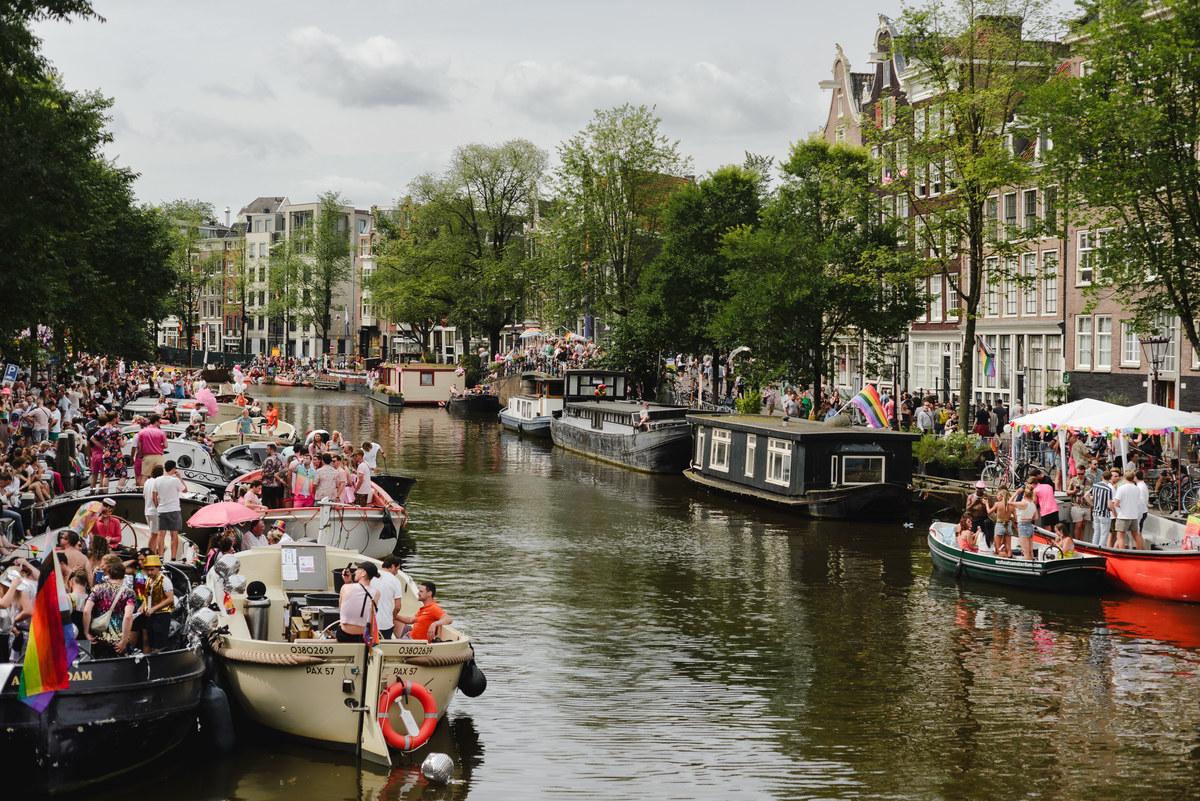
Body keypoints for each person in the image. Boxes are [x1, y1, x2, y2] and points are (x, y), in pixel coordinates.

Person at [83, 553, 136, 658]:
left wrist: (86, 632)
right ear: (124, 575)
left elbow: (86, 611)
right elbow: (128, 616)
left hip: (98, 641)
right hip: (118, 643)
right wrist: (124, 640)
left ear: (109, 574)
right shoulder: (129, 593)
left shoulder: (97, 589)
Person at [336, 561, 379, 644]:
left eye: (357, 569)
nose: (355, 572)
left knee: (340, 624)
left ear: (363, 573)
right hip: (364, 637)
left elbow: (342, 610)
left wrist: (348, 582)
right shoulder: (377, 593)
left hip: (344, 636)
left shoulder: (345, 588)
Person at [138, 554, 174, 653]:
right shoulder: (149, 580)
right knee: (148, 641)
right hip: (149, 615)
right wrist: (142, 606)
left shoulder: (165, 580)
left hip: (161, 616)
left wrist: (154, 608)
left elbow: (170, 599)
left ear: (158, 568)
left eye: (152, 570)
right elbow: (147, 595)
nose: (149, 572)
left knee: (159, 644)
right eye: (148, 570)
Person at [152, 460, 187, 560]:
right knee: (174, 535)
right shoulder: (175, 480)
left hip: (161, 510)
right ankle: (173, 557)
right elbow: (185, 490)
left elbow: (154, 495)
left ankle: (161, 556)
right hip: (174, 510)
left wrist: (157, 506)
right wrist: (179, 477)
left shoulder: (157, 480)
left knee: (161, 534)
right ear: (173, 469)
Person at [371, 555, 406, 639]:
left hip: (370, 622)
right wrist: (392, 616)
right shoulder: (395, 581)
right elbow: (398, 607)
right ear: (392, 566)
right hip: (385, 625)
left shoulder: (371, 575)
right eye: (397, 569)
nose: (397, 573)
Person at [1111, 469, 1143, 550]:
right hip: (1134, 515)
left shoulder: (1121, 488)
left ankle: (1122, 555)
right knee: (1136, 536)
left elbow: (1116, 503)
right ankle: (1139, 553)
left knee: (1120, 537)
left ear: (1125, 477)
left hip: (1123, 516)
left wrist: (1121, 504)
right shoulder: (1137, 488)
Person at [134, 413, 167, 489]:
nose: (160, 424)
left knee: (144, 476)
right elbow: (165, 445)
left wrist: (141, 455)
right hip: (158, 456)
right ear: (156, 422)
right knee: (159, 477)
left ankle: (142, 492)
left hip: (147, 456)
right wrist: (159, 447)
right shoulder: (161, 432)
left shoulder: (142, 432)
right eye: (159, 422)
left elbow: (139, 446)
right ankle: (157, 492)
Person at [1086, 469, 1117, 547]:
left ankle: (1093, 549)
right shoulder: (1108, 489)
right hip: (1104, 514)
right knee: (1104, 535)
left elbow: (1086, 495)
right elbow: (1110, 504)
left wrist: (1092, 504)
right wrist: (1115, 514)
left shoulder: (1095, 485)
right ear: (1110, 478)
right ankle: (1100, 551)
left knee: (1096, 532)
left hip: (1095, 512)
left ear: (1102, 477)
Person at [1012, 482, 1040, 561]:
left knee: (1025, 551)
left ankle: (1027, 566)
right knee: (1030, 551)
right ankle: (1031, 564)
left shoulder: (1023, 504)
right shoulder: (1033, 504)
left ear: (1024, 495)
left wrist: (1016, 493)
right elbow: (1036, 517)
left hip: (1022, 525)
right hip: (1030, 526)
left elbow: (1009, 502)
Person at [987, 488, 1014, 558]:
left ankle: (1002, 559)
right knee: (1008, 546)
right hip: (1008, 525)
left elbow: (989, 512)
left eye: (998, 495)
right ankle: (1009, 558)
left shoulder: (997, 504)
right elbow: (1015, 518)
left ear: (1002, 496)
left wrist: (986, 504)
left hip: (999, 525)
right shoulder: (1011, 505)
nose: (996, 496)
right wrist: (1008, 518)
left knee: (998, 546)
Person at [1066, 469, 1092, 542]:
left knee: (1083, 526)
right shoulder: (1073, 480)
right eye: (1078, 474)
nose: (1080, 475)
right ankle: (1077, 542)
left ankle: (1081, 541)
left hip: (1086, 506)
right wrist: (1073, 491)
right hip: (1076, 505)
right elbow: (1067, 492)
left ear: (1085, 473)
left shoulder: (1089, 481)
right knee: (1078, 525)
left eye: (1081, 474)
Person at [965, 481, 992, 548]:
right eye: (978, 489)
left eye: (981, 489)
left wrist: (986, 504)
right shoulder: (971, 497)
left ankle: (987, 546)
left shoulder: (987, 497)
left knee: (986, 533)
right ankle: (972, 546)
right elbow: (967, 509)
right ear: (975, 488)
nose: (979, 491)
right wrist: (973, 504)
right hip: (974, 518)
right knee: (973, 534)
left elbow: (991, 509)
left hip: (984, 518)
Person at [260, 442, 285, 509]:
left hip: (268, 484)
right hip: (277, 484)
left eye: (267, 449)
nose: (266, 451)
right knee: (274, 501)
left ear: (271, 450)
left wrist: (263, 475)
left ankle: (265, 515)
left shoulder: (269, 459)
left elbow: (266, 472)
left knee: (265, 502)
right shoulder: (280, 459)